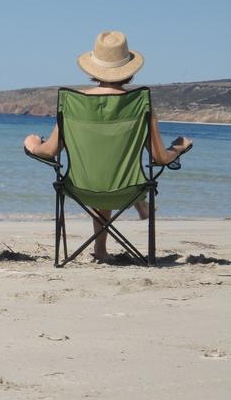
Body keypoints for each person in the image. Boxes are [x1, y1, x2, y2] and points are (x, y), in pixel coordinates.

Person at [23, 30, 193, 262]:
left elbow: (50, 151)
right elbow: (160, 158)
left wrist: (33, 145)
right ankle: (135, 211)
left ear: (93, 68)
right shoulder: (141, 105)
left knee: (100, 173)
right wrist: (180, 147)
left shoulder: (75, 104)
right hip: (128, 190)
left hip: (80, 188)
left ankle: (101, 250)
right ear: (129, 71)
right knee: (113, 173)